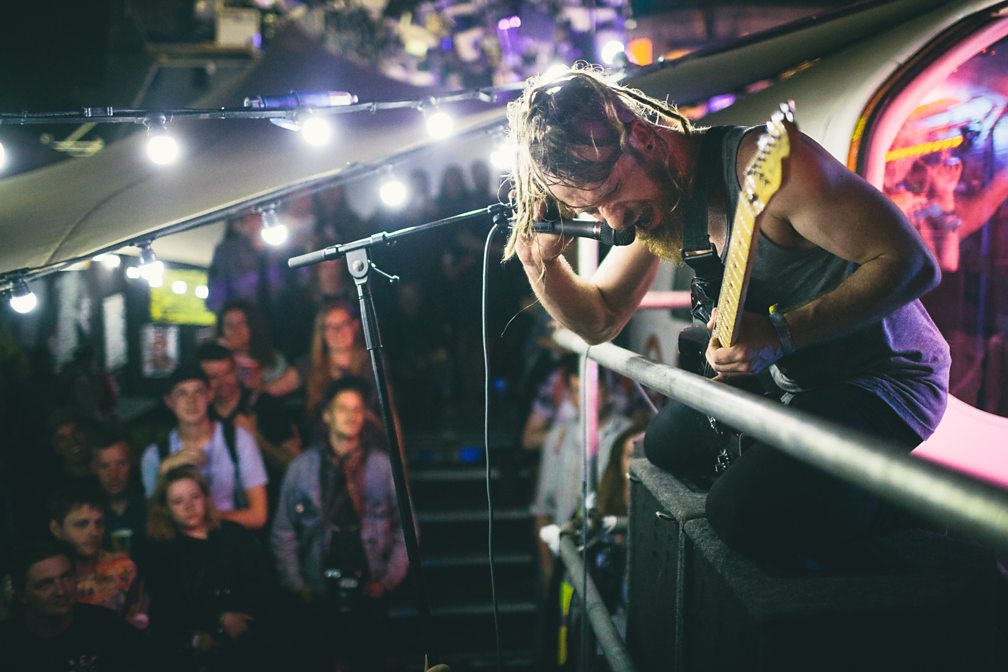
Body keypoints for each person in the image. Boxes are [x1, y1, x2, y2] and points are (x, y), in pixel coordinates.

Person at [504, 65, 950, 566]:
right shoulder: (661, 200)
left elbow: (912, 264)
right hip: (785, 384)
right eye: (593, 212)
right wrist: (539, 264)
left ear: (644, 138)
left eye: (610, 196)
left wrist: (782, 334)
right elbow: (600, 318)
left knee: (739, 515)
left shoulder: (770, 168)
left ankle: (910, 514)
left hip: (881, 382)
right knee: (661, 445)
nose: (614, 222)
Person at [271, 376, 408, 672]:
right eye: (342, 408)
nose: (350, 416)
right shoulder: (302, 468)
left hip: (369, 583)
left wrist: (387, 581)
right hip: (318, 586)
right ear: (327, 415)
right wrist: (297, 585)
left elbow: (406, 528)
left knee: (368, 661)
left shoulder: (383, 467)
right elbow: (283, 531)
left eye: (357, 409)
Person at [144, 466, 274, 672]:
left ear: (205, 498)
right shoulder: (162, 550)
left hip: (251, 637)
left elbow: (261, 582)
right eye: (178, 501)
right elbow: (168, 606)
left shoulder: (233, 534)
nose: (189, 506)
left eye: (195, 497)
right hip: (196, 649)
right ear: (166, 508)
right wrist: (219, 619)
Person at [530, 357, 633, 587]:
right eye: (578, 391)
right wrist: (548, 570)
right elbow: (542, 510)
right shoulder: (557, 438)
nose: (587, 398)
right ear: (571, 397)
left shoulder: (628, 437)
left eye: (593, 388)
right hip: (566, 562)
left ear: (607, 390)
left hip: (612, 560)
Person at [140, 364, 269, 531]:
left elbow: (258, 516)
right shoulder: (155, 455)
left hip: (229, 536)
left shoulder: (238, 439)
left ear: (210, 395)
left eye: (198, 392)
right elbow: (154, 523)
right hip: (182, 543)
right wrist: (165, 469)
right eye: (182, 394)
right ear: (169, 401)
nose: (191, 401)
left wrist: (204, 519)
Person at [0, 539, 149, 672]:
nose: (61, 591)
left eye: (66, 577)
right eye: (45, 584)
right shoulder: (7, 644)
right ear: (22, 595)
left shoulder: (105, 626)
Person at [196, 341, 301, 519]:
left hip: (271, 511)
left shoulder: (263, 404)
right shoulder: (201, 413)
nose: (223, 382)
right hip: (217, 514)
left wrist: (256, 438)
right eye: (213, 377)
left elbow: (293, 465)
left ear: (236, 370)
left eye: (227, 373)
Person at [46, 479, 147, 629]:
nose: (94, 532)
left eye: (99, 523)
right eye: (82, 524)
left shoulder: (123, 568)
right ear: (56, 529)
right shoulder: (46, 575)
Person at [216, 298, 300, 399]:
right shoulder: (215, 361)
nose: (235, 330)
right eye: (229, 325)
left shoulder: (273, 360)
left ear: (253, 326)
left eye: (241, 323)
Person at [90, 423, 148, 563]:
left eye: (121, 464)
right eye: (104, 466)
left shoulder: (148, 503)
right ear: (94, 468)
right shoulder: (88, 511)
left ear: (132, 463)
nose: (113, 475)